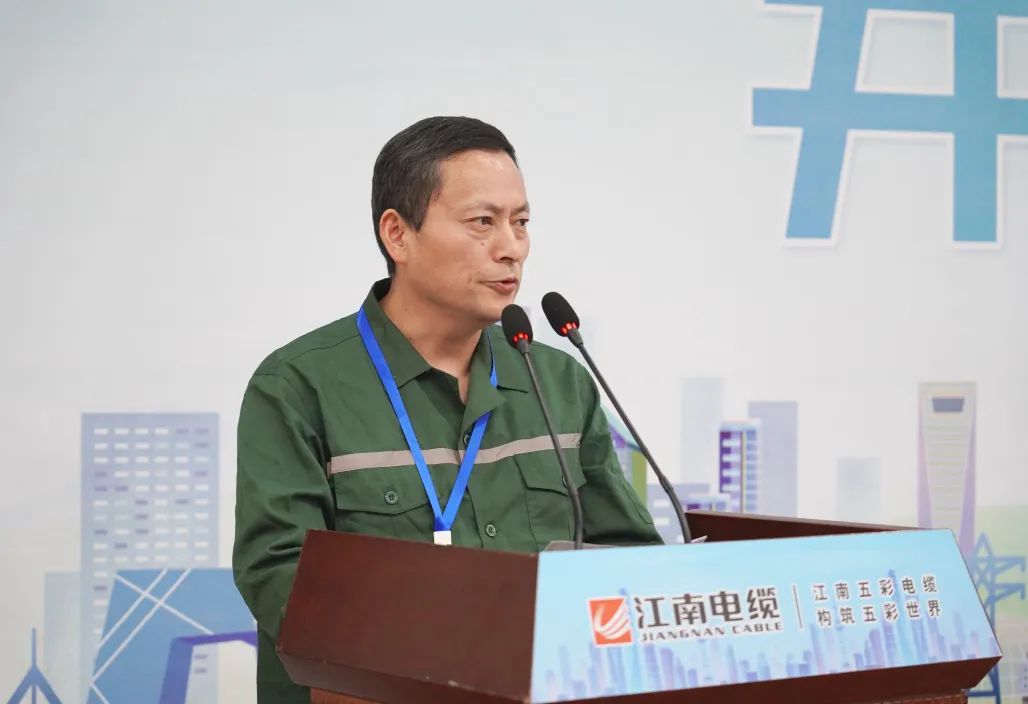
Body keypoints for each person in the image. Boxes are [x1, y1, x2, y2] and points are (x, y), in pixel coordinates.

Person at [233, 116, 662, 702]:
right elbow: (282, 576)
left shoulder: (556, 381)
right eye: (482, 222)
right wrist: (449, 655)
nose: (511, 248)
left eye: (521, 222)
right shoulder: (298, 387)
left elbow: (627, 562)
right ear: (398, 235)